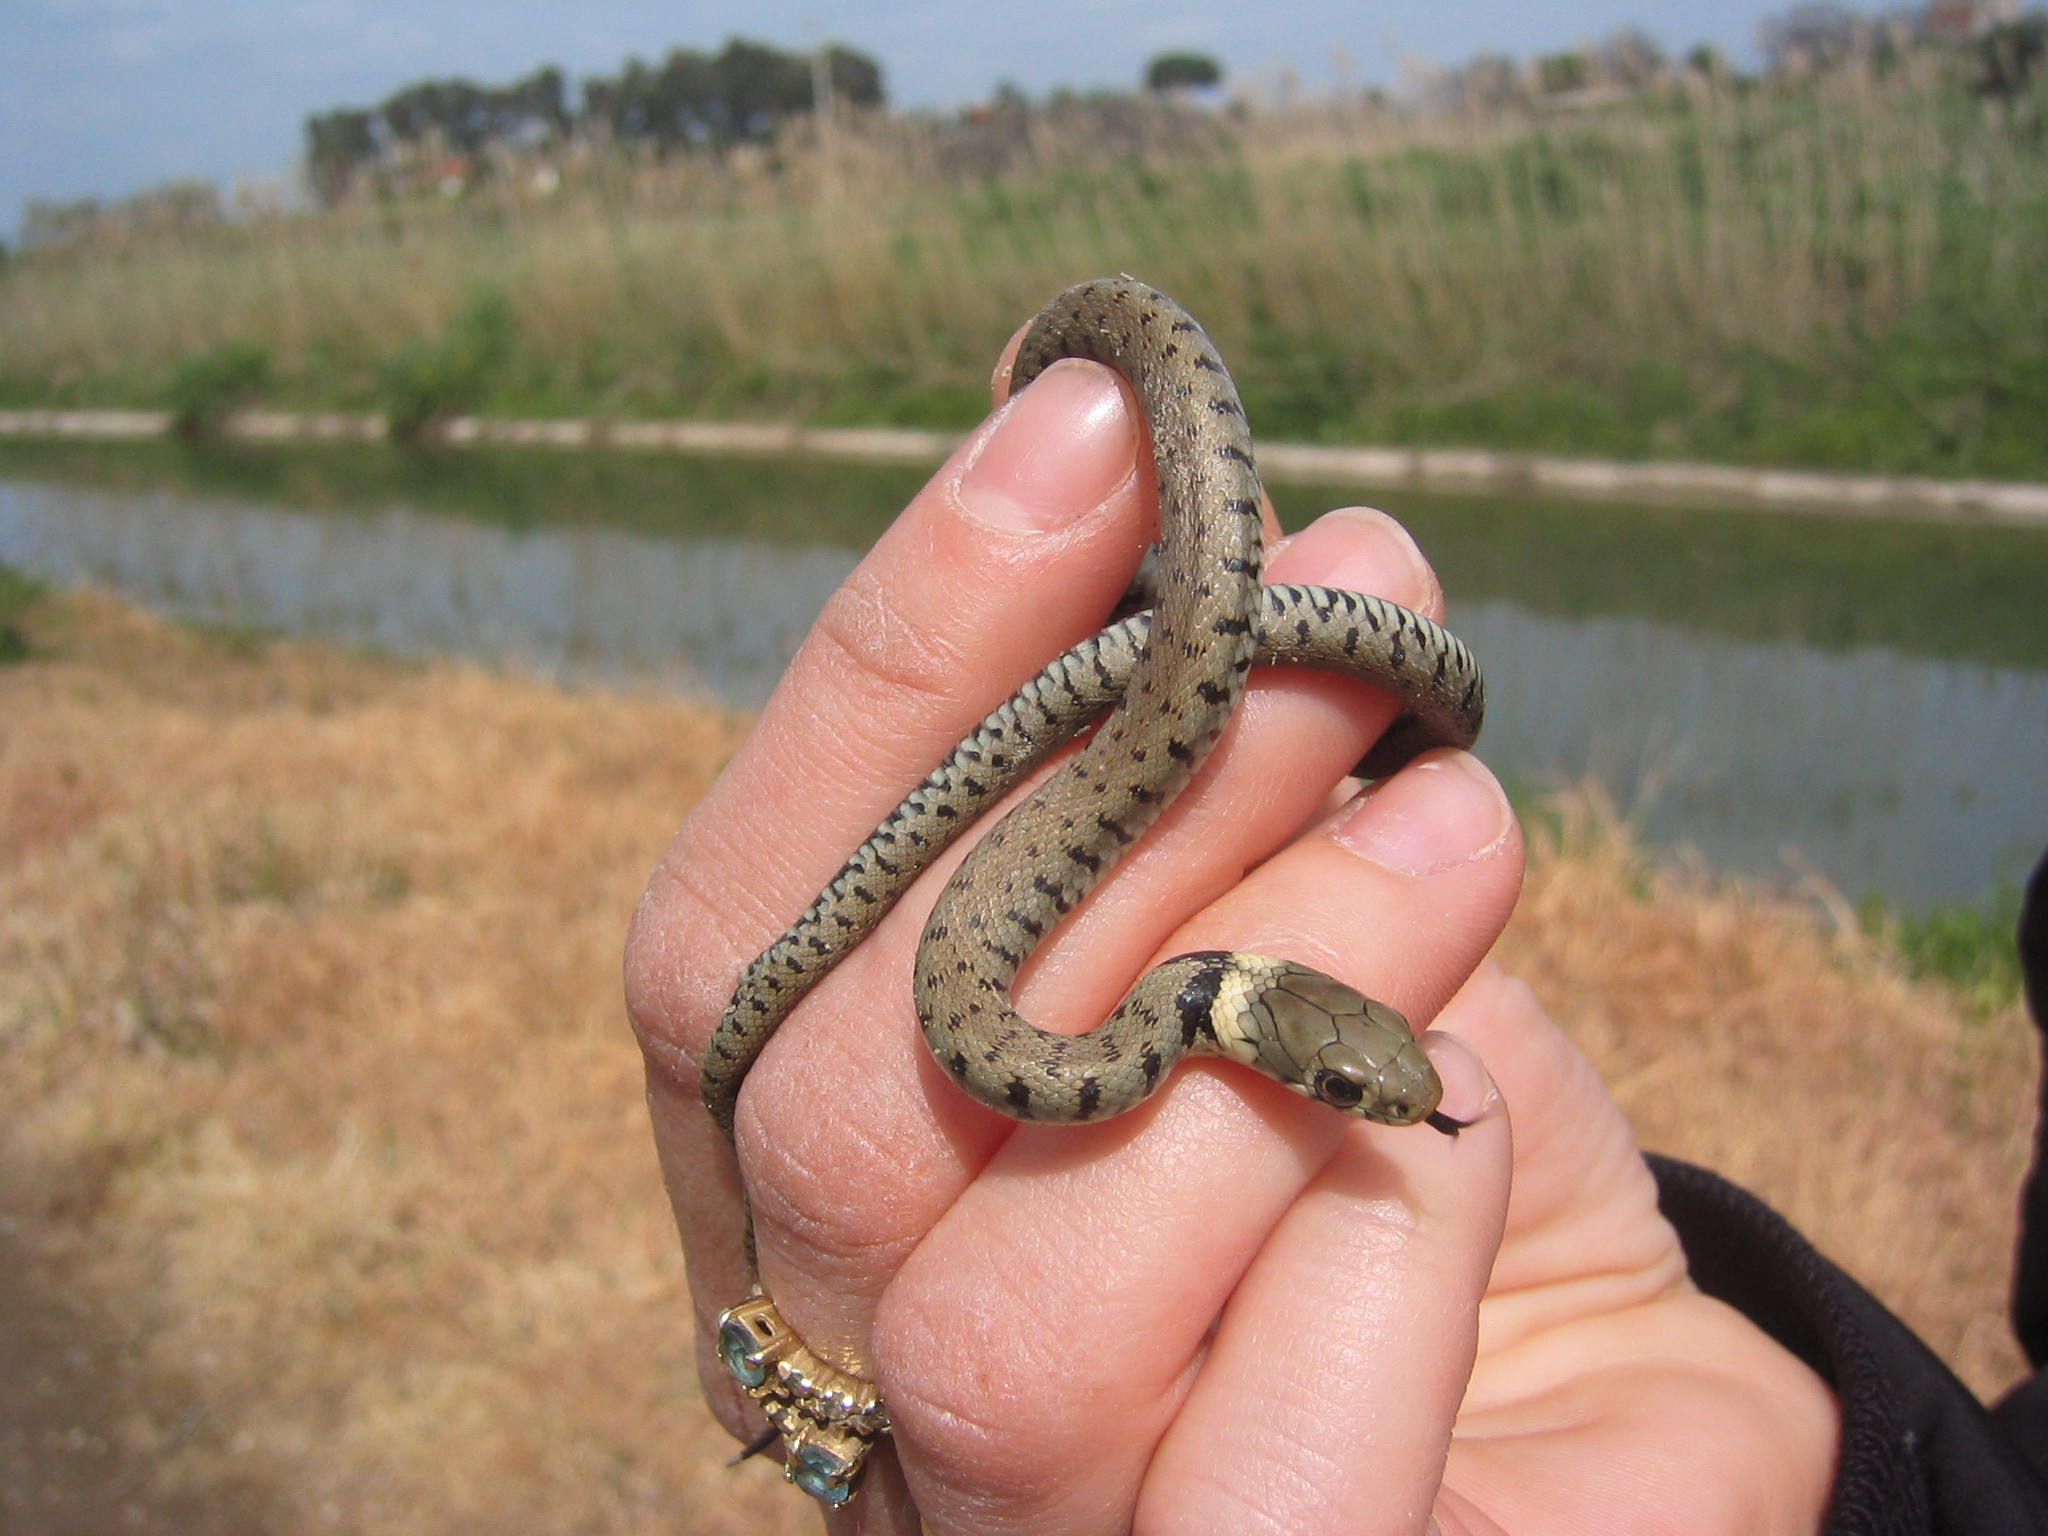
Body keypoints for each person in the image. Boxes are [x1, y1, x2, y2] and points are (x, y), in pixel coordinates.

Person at [624, 344, 2048, 1533]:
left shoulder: (1156, 1029)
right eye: (1358, 1082)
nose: (1382, 1091)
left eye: (1361, 1084)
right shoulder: (1127, 1036)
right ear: (1275, 1032)